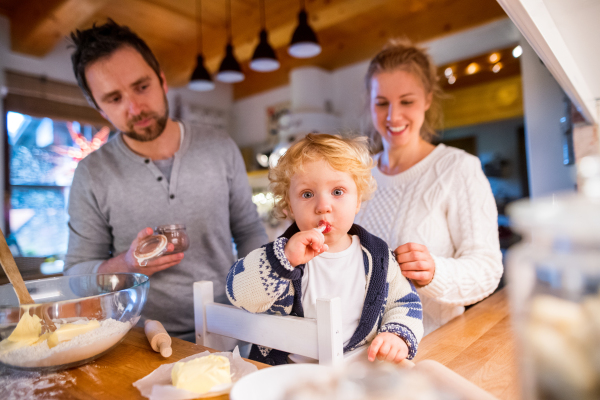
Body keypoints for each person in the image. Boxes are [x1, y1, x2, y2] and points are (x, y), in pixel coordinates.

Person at [64, 20, 268, 341]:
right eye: (114, 99)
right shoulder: (92, 173)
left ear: (161, 80)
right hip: (138, 338)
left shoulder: (220, 147)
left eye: (141, 86)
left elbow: (248, 230)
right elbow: (76, 276)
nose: (135, 107)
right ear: (100, 109)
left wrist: (261, 292)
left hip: (228, 328)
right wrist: (127, 264)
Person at [226, 133, 424, 365]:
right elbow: (238, 294)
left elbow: (405, 304)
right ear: (290, 205)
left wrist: (397, 335)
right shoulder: (280, 257)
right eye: (307, 194)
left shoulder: (380, 258)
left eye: (338, 192)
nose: (323, 207)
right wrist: (285, 261)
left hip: (356, 373)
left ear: (358, 199)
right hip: (285, 378)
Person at [355, 39, 503, 335]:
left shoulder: (458, 168)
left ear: (427, 100)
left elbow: (488, 269)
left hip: (432, 350)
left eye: (406, 101)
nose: (392, 116)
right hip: (357, 356)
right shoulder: (355, 174)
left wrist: (434, 272)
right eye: (381, 102)